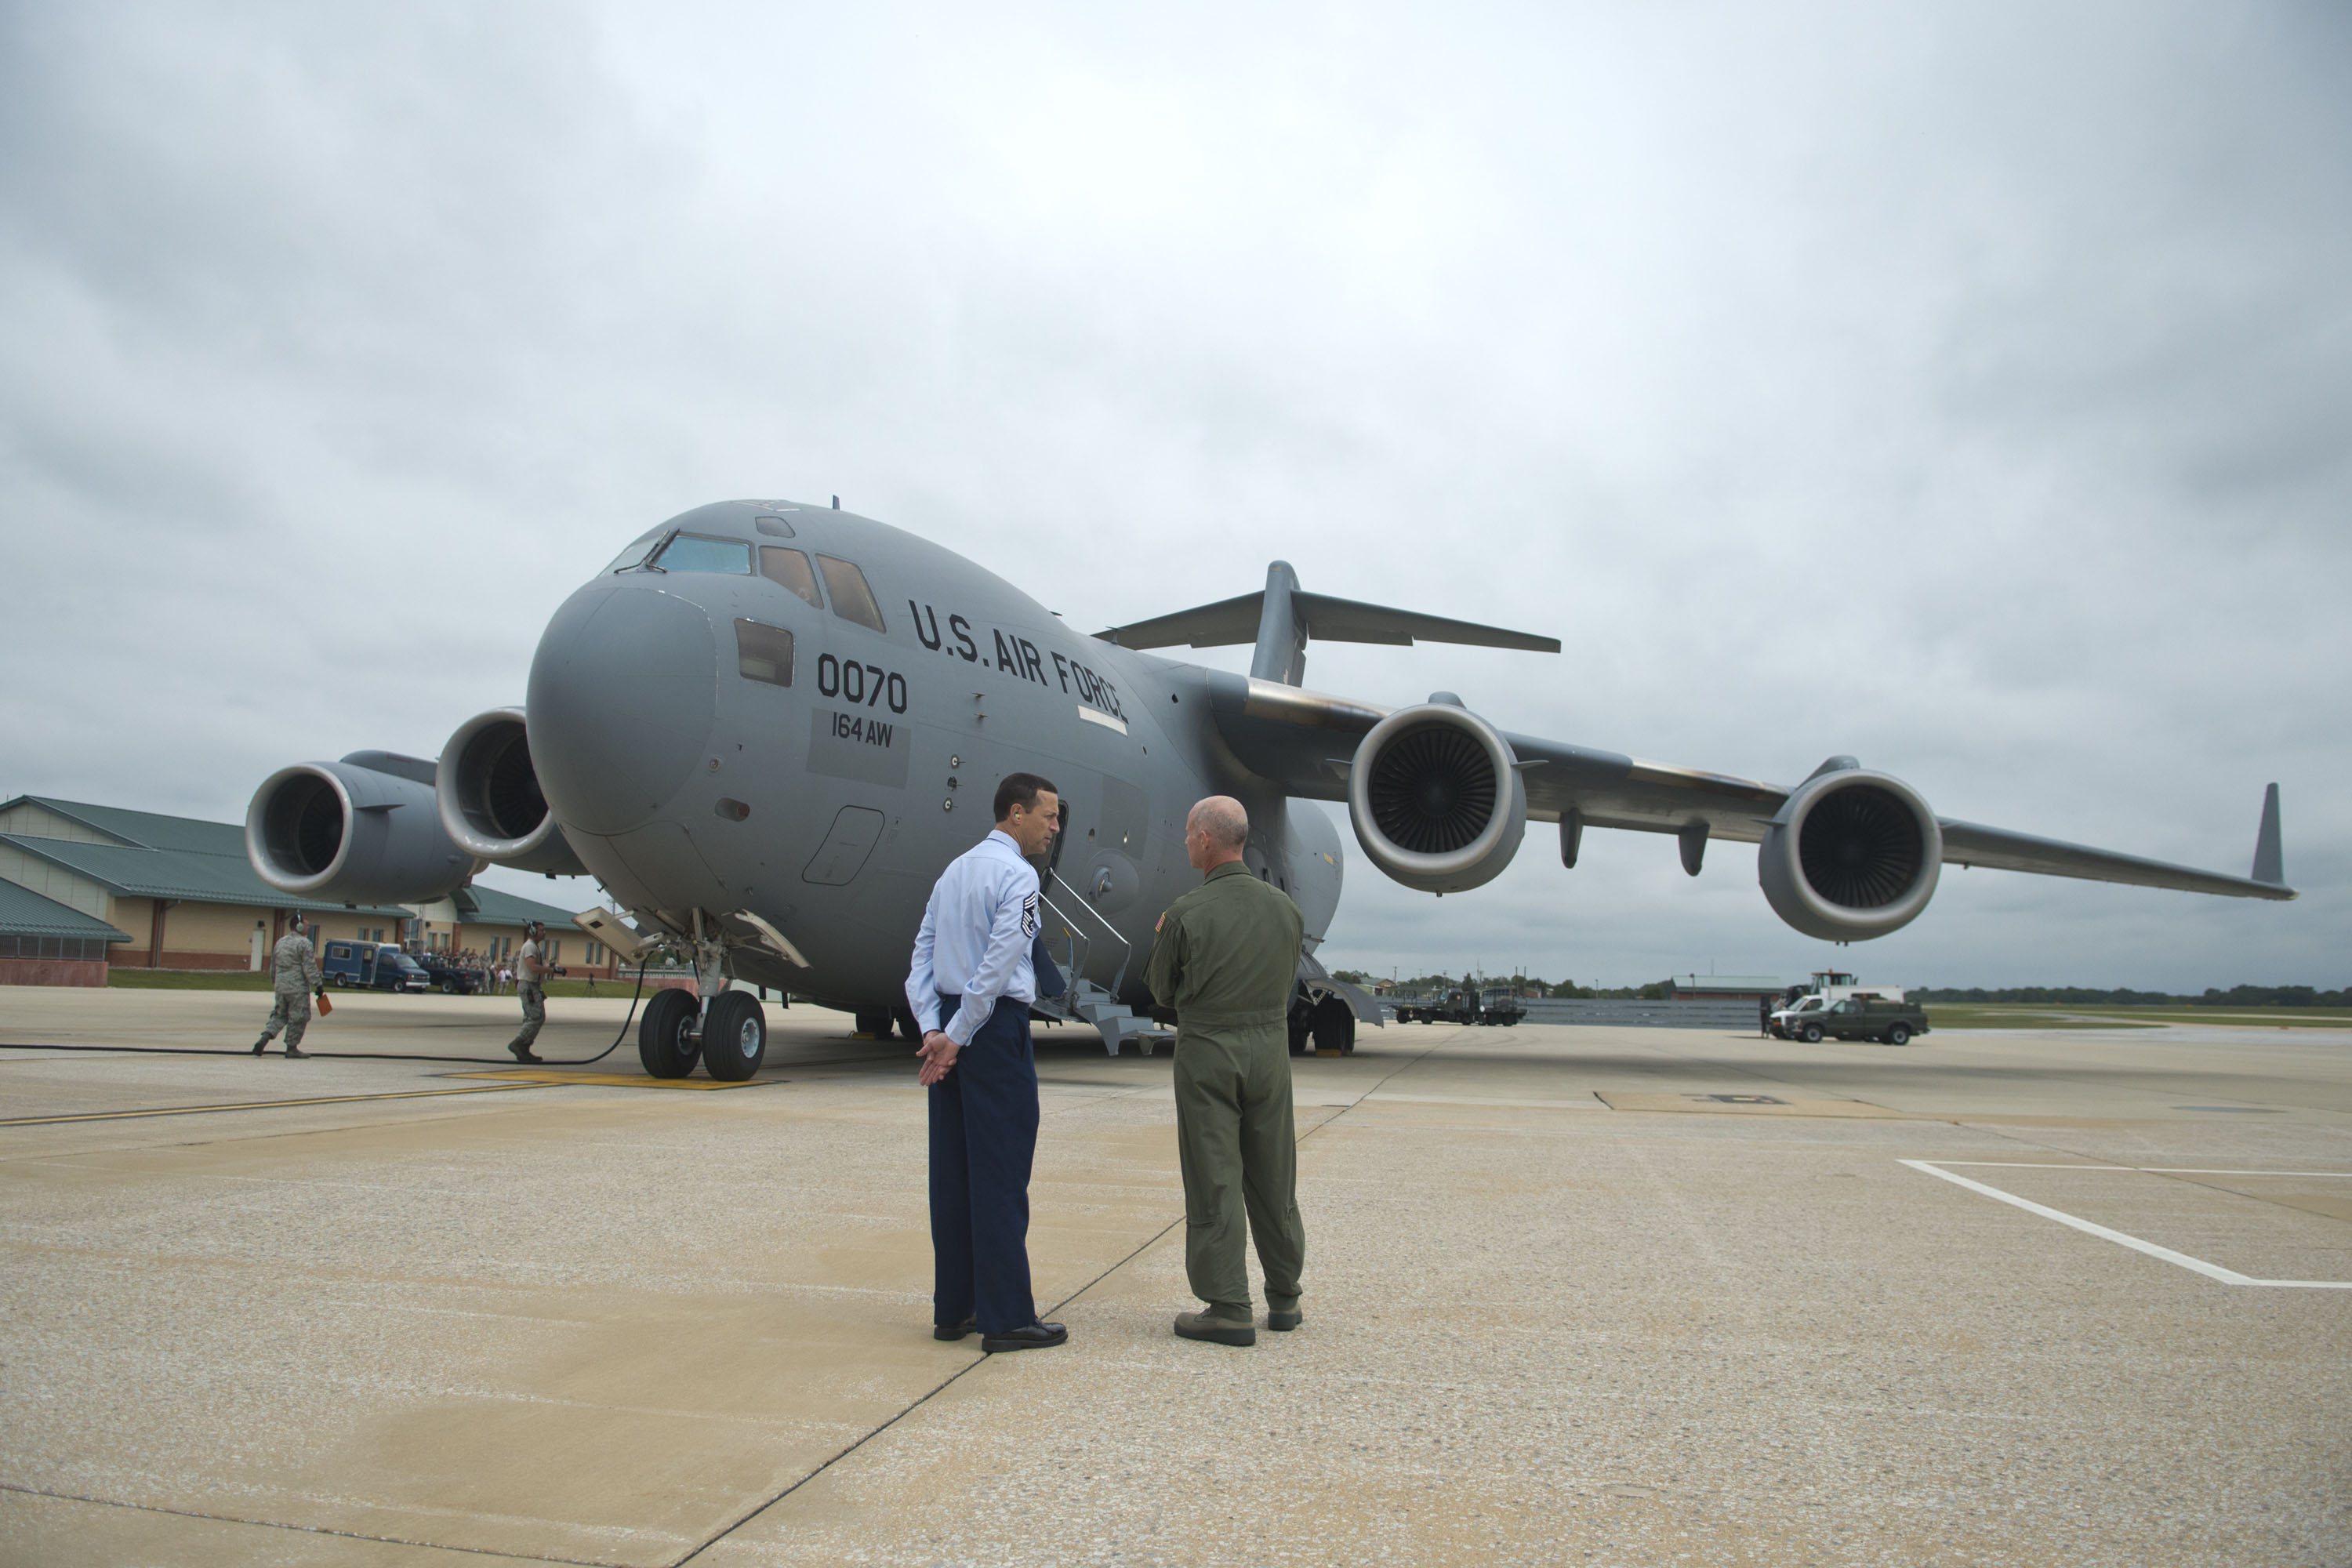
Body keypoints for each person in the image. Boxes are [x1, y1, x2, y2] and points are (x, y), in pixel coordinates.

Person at [905, 771, 1068, 1355]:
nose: (1054, 827)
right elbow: (1001, 962)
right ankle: (1005, 1317)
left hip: (949, 1023)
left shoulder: (954, 872)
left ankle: (954, 1308)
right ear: (1016, 813)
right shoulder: (1018, 876)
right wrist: (958, 1034)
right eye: (1048, 816)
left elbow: (921, 957)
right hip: (990, 1030)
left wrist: (932, 1027)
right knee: (999, 1177)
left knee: (952, 1175)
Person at [1145, 796, 1307, 1348]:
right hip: (1269, 1051)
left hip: (1210, 1053)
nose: (1187, 842)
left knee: (1216, 1177)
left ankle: (1228, 1305)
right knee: (1274, 1175)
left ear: (1207, 841)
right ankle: (1285, 1298)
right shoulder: (1285, 909)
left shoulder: (1187, 913)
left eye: (1190, 834)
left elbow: (1161, 990)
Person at [252, 912, 325, 1058]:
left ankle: (264, 1038)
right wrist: (318, 984)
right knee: (299, 1017)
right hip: (297, 988)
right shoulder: (304, 943)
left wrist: (275, 982)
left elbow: (273, 965)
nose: (308, 927)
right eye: (306, 924)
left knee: (279, 1014)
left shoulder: (280, 942)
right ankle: (292, 1048)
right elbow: (309, 967)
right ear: (298, 926)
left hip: (281, 986)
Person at [508, 922, 562, 1063]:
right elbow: (532, 967)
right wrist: (553, 970)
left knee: (531, 1017)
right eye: (541, 930)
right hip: (529, 985)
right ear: (533, 931)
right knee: (536, 1018)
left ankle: (524, 1049)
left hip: (531, 985)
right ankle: (519, 1043)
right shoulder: (530, 947)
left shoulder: (532, 946)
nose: (544, 933)